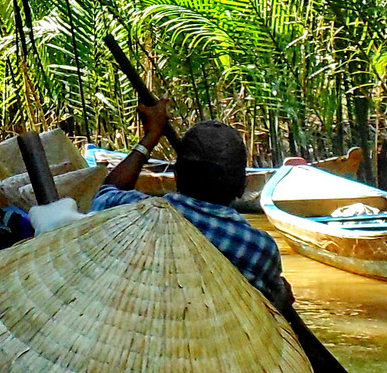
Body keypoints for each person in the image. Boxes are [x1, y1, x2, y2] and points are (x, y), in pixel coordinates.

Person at [95, 101, 293, 309]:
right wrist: (280, 302)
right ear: (243, 187)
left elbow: (104, 195)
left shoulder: (133, 210)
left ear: (176, 176)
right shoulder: (259, 249)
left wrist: (150, 137)